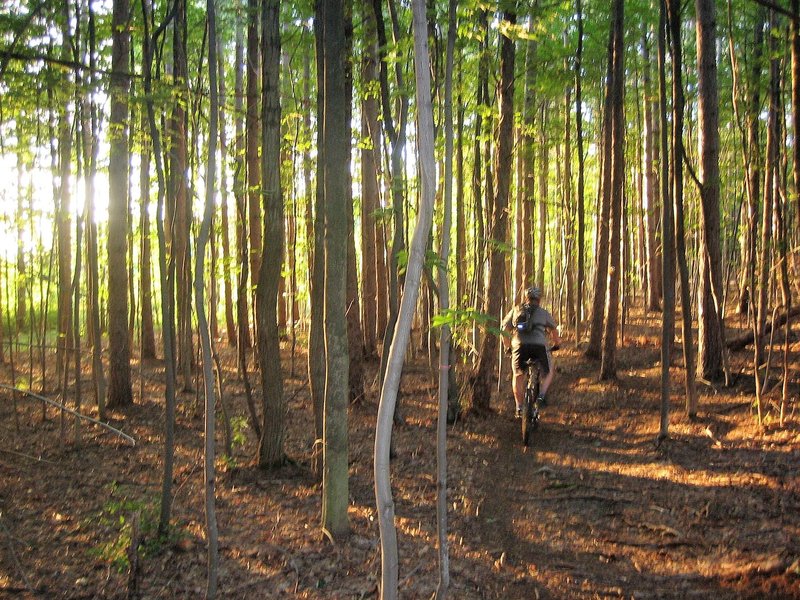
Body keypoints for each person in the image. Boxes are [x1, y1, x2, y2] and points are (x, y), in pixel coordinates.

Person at [501, 286, 561, 418]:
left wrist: (507, 347)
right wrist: (557, 344)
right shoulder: (543, 313)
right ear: (539, 300)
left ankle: (519, 407)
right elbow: (554, 331)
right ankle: (541, 396)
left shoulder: (516, 310)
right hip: (539, 346)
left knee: (517, 375)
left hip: (519, 346)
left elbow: (504, 328)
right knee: (549, 370)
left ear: (526, 298)